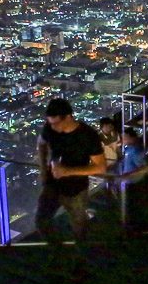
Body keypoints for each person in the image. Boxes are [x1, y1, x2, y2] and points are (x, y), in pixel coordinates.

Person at [36, 98, 107, 242]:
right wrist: (43, 169)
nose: (53, 127)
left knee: (79, 227)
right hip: (52, 185)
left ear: (68, 117)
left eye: (56, 123)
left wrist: (67, 171)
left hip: (76, 189)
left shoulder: (87, 135)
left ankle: (80, 256)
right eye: (51, 123)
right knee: (41, 221)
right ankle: (59, 250)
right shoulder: (50, 128)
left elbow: (100, 166)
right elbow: (41, 143)